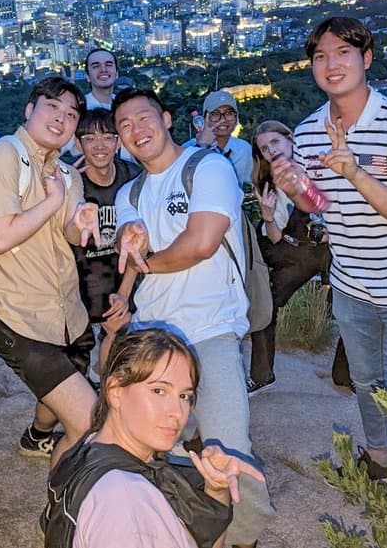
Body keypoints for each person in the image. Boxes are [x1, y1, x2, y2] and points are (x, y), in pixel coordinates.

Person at [273, 16, 387, 491]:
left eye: (343, 53)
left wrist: (357, 172)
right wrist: (297, 190)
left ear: (366, 59)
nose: (331, 65)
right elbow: (323, 206)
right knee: (367, 382)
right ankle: (378, 457)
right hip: (352, 286)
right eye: (320, 57)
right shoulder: (308, 132)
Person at [113, 88, 276, 548]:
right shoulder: (131, 190)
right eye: (125, 126)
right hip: (152, 335)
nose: (136, 131)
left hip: (210, 331)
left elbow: (203, 240)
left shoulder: (209, 168)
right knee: (141, 445)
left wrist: (147, 261)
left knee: (228, 447)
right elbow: (129, 234)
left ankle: (242, 537)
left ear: (166, 119)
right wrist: (130, 245)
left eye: (143, 119)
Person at [0, 76, 102, 466]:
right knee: (89, 421)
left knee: (60, 390)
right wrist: (53, 201)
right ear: (29, 110)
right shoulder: (4, 156)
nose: (61, 119)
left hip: (65, 313)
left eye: (71, 114)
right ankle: (64, 512)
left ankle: (37, 435)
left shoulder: (67, 174)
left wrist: (82, 219)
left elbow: (71, 237)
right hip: (17, 314)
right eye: (52, 107)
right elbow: (1, 237)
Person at [43, 327, 265, 548]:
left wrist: (217, 489)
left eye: (184, 396)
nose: (177, 412)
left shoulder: (91, 446)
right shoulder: (126, 502)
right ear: (115, 391)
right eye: (159, 391)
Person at [245, 120, 330, 395]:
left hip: (333, 248)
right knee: (265, 307)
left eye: (275, 143)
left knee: (351, 308)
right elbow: (275, 237)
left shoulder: (321, 164)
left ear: (290, 139)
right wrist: (268, 215)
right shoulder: (271, 184)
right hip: (294, 254)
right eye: (264, 148)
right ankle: (261, 374)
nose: (271, 150)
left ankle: (347, 373)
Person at [70, 108, 140, 381]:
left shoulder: (131, 176)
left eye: (108, 137)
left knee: (117, 339)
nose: (99, 145)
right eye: (89, 138)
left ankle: (103, 392)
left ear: (118, 141)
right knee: (75, 362)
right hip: (79, 281)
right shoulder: (71, 180)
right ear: (78, 144)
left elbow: (138, 243)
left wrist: (124, 293)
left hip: (120, 275)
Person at [183, 91, 253, 185]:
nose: (223, 120)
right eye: (215, 114)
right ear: (204, 119)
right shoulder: (187, 149)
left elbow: (255, 182)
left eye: (229, 114)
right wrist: (202, 147)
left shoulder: (244, 150)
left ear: (236, 119)